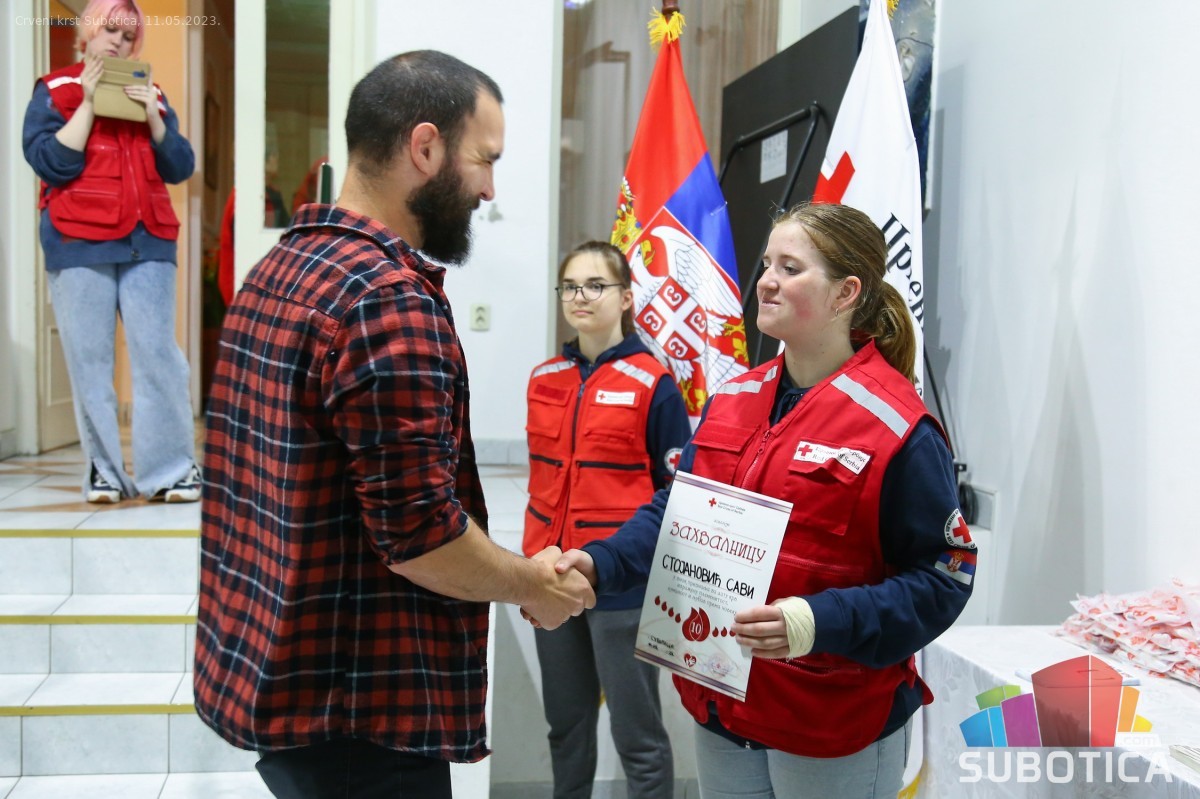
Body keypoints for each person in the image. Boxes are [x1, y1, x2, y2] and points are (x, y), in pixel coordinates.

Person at [194, 50, 595, 799]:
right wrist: (529, 583)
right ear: (425, 148)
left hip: (282, 682)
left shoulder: (279, 269)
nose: (489, 188)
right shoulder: (384, 301)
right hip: (359, 714)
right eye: (485, 159)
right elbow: (421, 536)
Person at [555, 203, 975, 798]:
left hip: (828, 722)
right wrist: (602, 561)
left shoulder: (895, 425)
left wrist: (816, 622)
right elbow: (678, 510)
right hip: (723, 707)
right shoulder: (734, 399)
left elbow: (942, 578)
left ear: (846, 293)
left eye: (790, 268)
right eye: (768, 264)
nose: (766, 280)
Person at [525, 241, 690, 799]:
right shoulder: (543, 377)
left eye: (596, 285)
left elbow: (675, 492)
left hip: (621, 587)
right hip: (549, 577)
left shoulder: (654, 383)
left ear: (625, 298)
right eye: (571, 286)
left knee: (638, 736)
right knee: (565, 730)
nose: (581, 296)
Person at [22, 0, 200, 504]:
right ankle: (104, 472)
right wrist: (88, 102)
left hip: (148, 240)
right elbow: (50, 162)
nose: (118, 42)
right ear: (88, 32)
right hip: (78, 241)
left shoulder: (152, 94)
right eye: (109, 31)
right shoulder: (54, 89)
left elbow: (180, 166)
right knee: (90, 361)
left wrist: (154, 119)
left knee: (159, 356)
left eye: (128, 35)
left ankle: (172, 472)